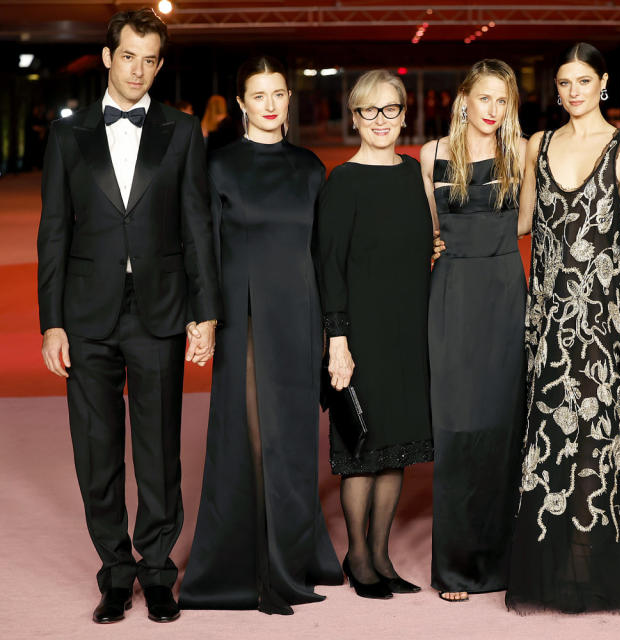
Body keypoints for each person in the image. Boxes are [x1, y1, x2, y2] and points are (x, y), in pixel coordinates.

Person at [36, 8, 220, 624]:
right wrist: (51, 321)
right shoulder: (68, 135)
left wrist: (206, 311)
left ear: (159, 64)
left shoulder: (184, 132)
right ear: (108, 57)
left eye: (150, 59)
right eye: (129, 56)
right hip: (86, 316)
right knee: (96, 450)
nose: (138, 69)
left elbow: (198, 229)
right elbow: (54, 233)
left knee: (160, 449)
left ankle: (159, 571)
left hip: (160, 313)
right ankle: (115, 572)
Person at [507, 42, 620, 614]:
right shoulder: (538, 145)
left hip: (606, 312)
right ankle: (556, 552)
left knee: (603, 425)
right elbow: (521, 223)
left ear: (602, 83)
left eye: (583, 80)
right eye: (564, 82)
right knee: (551, 428)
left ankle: (597, 549)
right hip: (551, 312)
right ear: (556, 89)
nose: (573, 91)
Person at [178, 55, 342, 615]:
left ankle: (291, 553)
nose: (271, 105)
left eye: (279, 94)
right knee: (250, 434)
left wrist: (332, 328)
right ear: (242, 104)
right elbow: (202, 249)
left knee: (293, 440)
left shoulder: (310, 168)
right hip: (244, 315)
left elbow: (326, 253)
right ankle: (248, 563)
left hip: (299, 311)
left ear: (288, 101)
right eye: (259, 95)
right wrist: (202, 317)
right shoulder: (218, 166)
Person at [319, 69, 434, 600]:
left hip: (408, 329)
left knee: (395, 447)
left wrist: (437, 248)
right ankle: (358, 557)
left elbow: (423, 239)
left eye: (391, 110)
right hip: (360, 333)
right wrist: (337, 340)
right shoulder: (342, 181)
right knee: (361, 445)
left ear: (404, 114)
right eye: (370, 111)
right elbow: (329, 267)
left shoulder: (414, 175)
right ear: (356, 117)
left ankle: (382, 554)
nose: (381, 120)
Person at [420, 59, 526, 604]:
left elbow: (527, 220)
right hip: (454, 295)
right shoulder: (431, 155)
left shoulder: (520, 152)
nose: (492, 110)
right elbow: (428, 229)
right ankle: (457, 567)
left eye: (502, 101)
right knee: (458, 427)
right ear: (463, 99)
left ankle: (503, 560)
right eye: (484, 98)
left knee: (504, 425)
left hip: (505, 291)